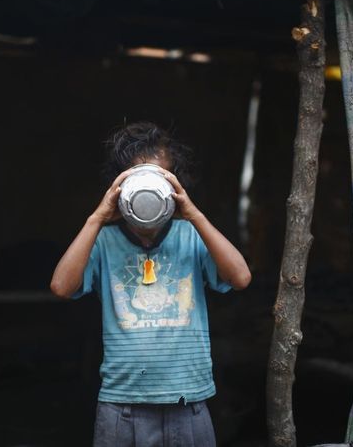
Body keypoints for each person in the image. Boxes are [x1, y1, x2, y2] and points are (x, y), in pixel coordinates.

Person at [50, 121, 252, 446]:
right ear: (118, 185)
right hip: (122, 405)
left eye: (160, 178)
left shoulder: (192, 236)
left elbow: (240, 277)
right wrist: (97, 217)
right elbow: (61, 287)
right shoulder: (103, 240)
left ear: (176, 185)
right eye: (136, 177)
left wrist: (194, 215)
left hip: (189, 402)